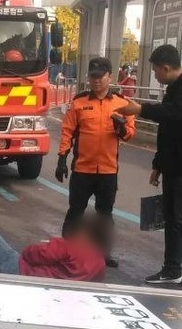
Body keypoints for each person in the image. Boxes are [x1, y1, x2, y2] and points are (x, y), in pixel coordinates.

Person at [118, 44, 182, 292]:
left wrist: (140, 109)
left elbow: (176, 113)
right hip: (173, 165)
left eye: (156, 71)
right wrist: (158, 165)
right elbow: (167, 130)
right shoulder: (174, 89)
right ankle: (172, 269)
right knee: (171, 218)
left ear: (166, 68)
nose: (155, 76)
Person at [54, 55, 135, 269]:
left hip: (108, 170)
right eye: (93, 77)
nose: (97, 81)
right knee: (75, 210)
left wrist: (121, 128)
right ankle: (67, 251)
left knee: (104, 214)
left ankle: (103, 253)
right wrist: (62, 157)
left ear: (110, 77)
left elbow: (129, 134)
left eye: (101, 77)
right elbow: (67, 131)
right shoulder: (79, 102)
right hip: (83, 169)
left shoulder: (122, 104)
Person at [0, 213, 109, 282]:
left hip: (20, 273)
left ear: (85, 233)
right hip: (46, 289)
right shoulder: (100, 263)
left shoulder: (70, 247)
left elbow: (32, 254)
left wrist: (43, 246)